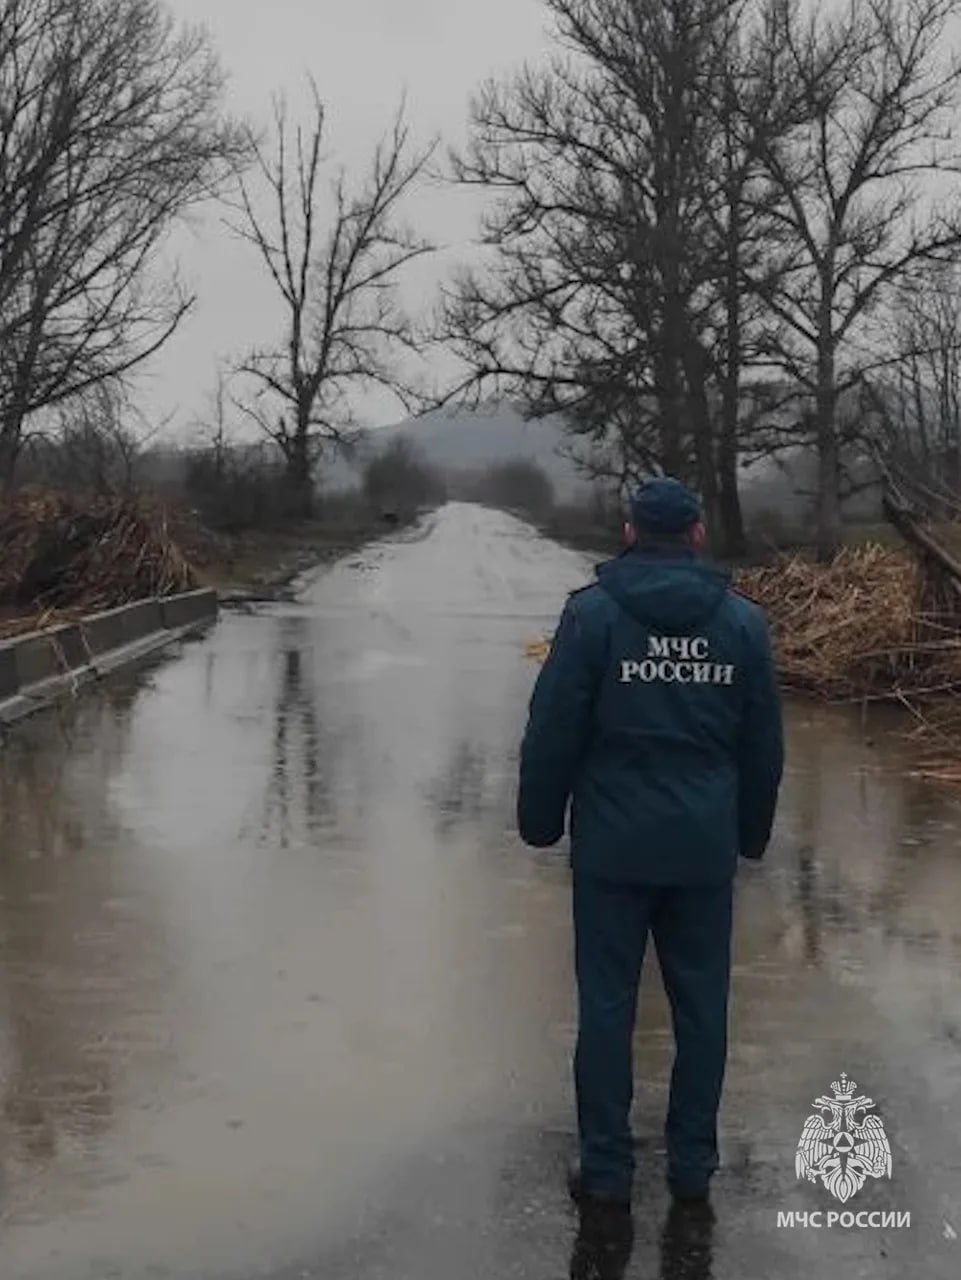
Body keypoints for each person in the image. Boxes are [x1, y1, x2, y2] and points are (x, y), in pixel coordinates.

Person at [517, 477, 784, 1209]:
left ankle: (605, 1171)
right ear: (697, 534)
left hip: (611, 848)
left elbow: (552, 731)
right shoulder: (741, 625)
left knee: (606, 1007)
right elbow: (762, 744)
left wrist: (540, 821)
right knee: (701, 1009)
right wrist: (750, 836)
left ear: (629, 531)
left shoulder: (590, 618)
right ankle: (692, 1166)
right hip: (700, 849)